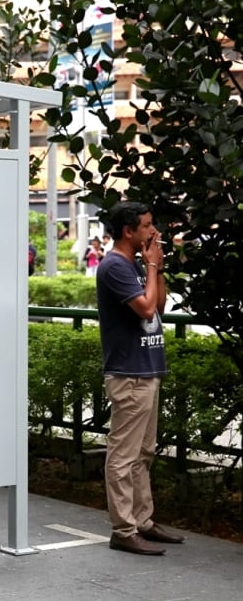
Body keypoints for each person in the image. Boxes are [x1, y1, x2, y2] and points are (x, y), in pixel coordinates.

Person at [96, 201, 184, 556]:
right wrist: (150, 264)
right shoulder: (115, 266)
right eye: (147, 226)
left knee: (143, 452)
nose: (153, 232)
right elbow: (145, 309)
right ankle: (124, 528)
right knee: (123, 455)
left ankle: (142, 521)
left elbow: (158, 305)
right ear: (128, 231)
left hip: (147, 369)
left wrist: (157, 269)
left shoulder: (133, 266)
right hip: (129, 373)